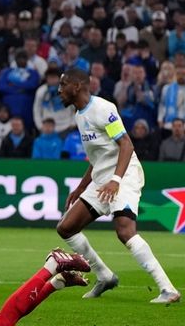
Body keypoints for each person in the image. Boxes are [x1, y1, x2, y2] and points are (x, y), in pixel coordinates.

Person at [56, 68, 180, 303]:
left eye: (63, 86)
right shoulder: (79, 115)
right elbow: (97, 159)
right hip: (102, 179)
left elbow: (126, 145)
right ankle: (104, 276)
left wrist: (116, 181)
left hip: (124, 175)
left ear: (77, 86)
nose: (59, 91)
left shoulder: (103, 109)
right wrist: (81, 188)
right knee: (66, 227)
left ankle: (168, 289)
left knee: (124, 230)